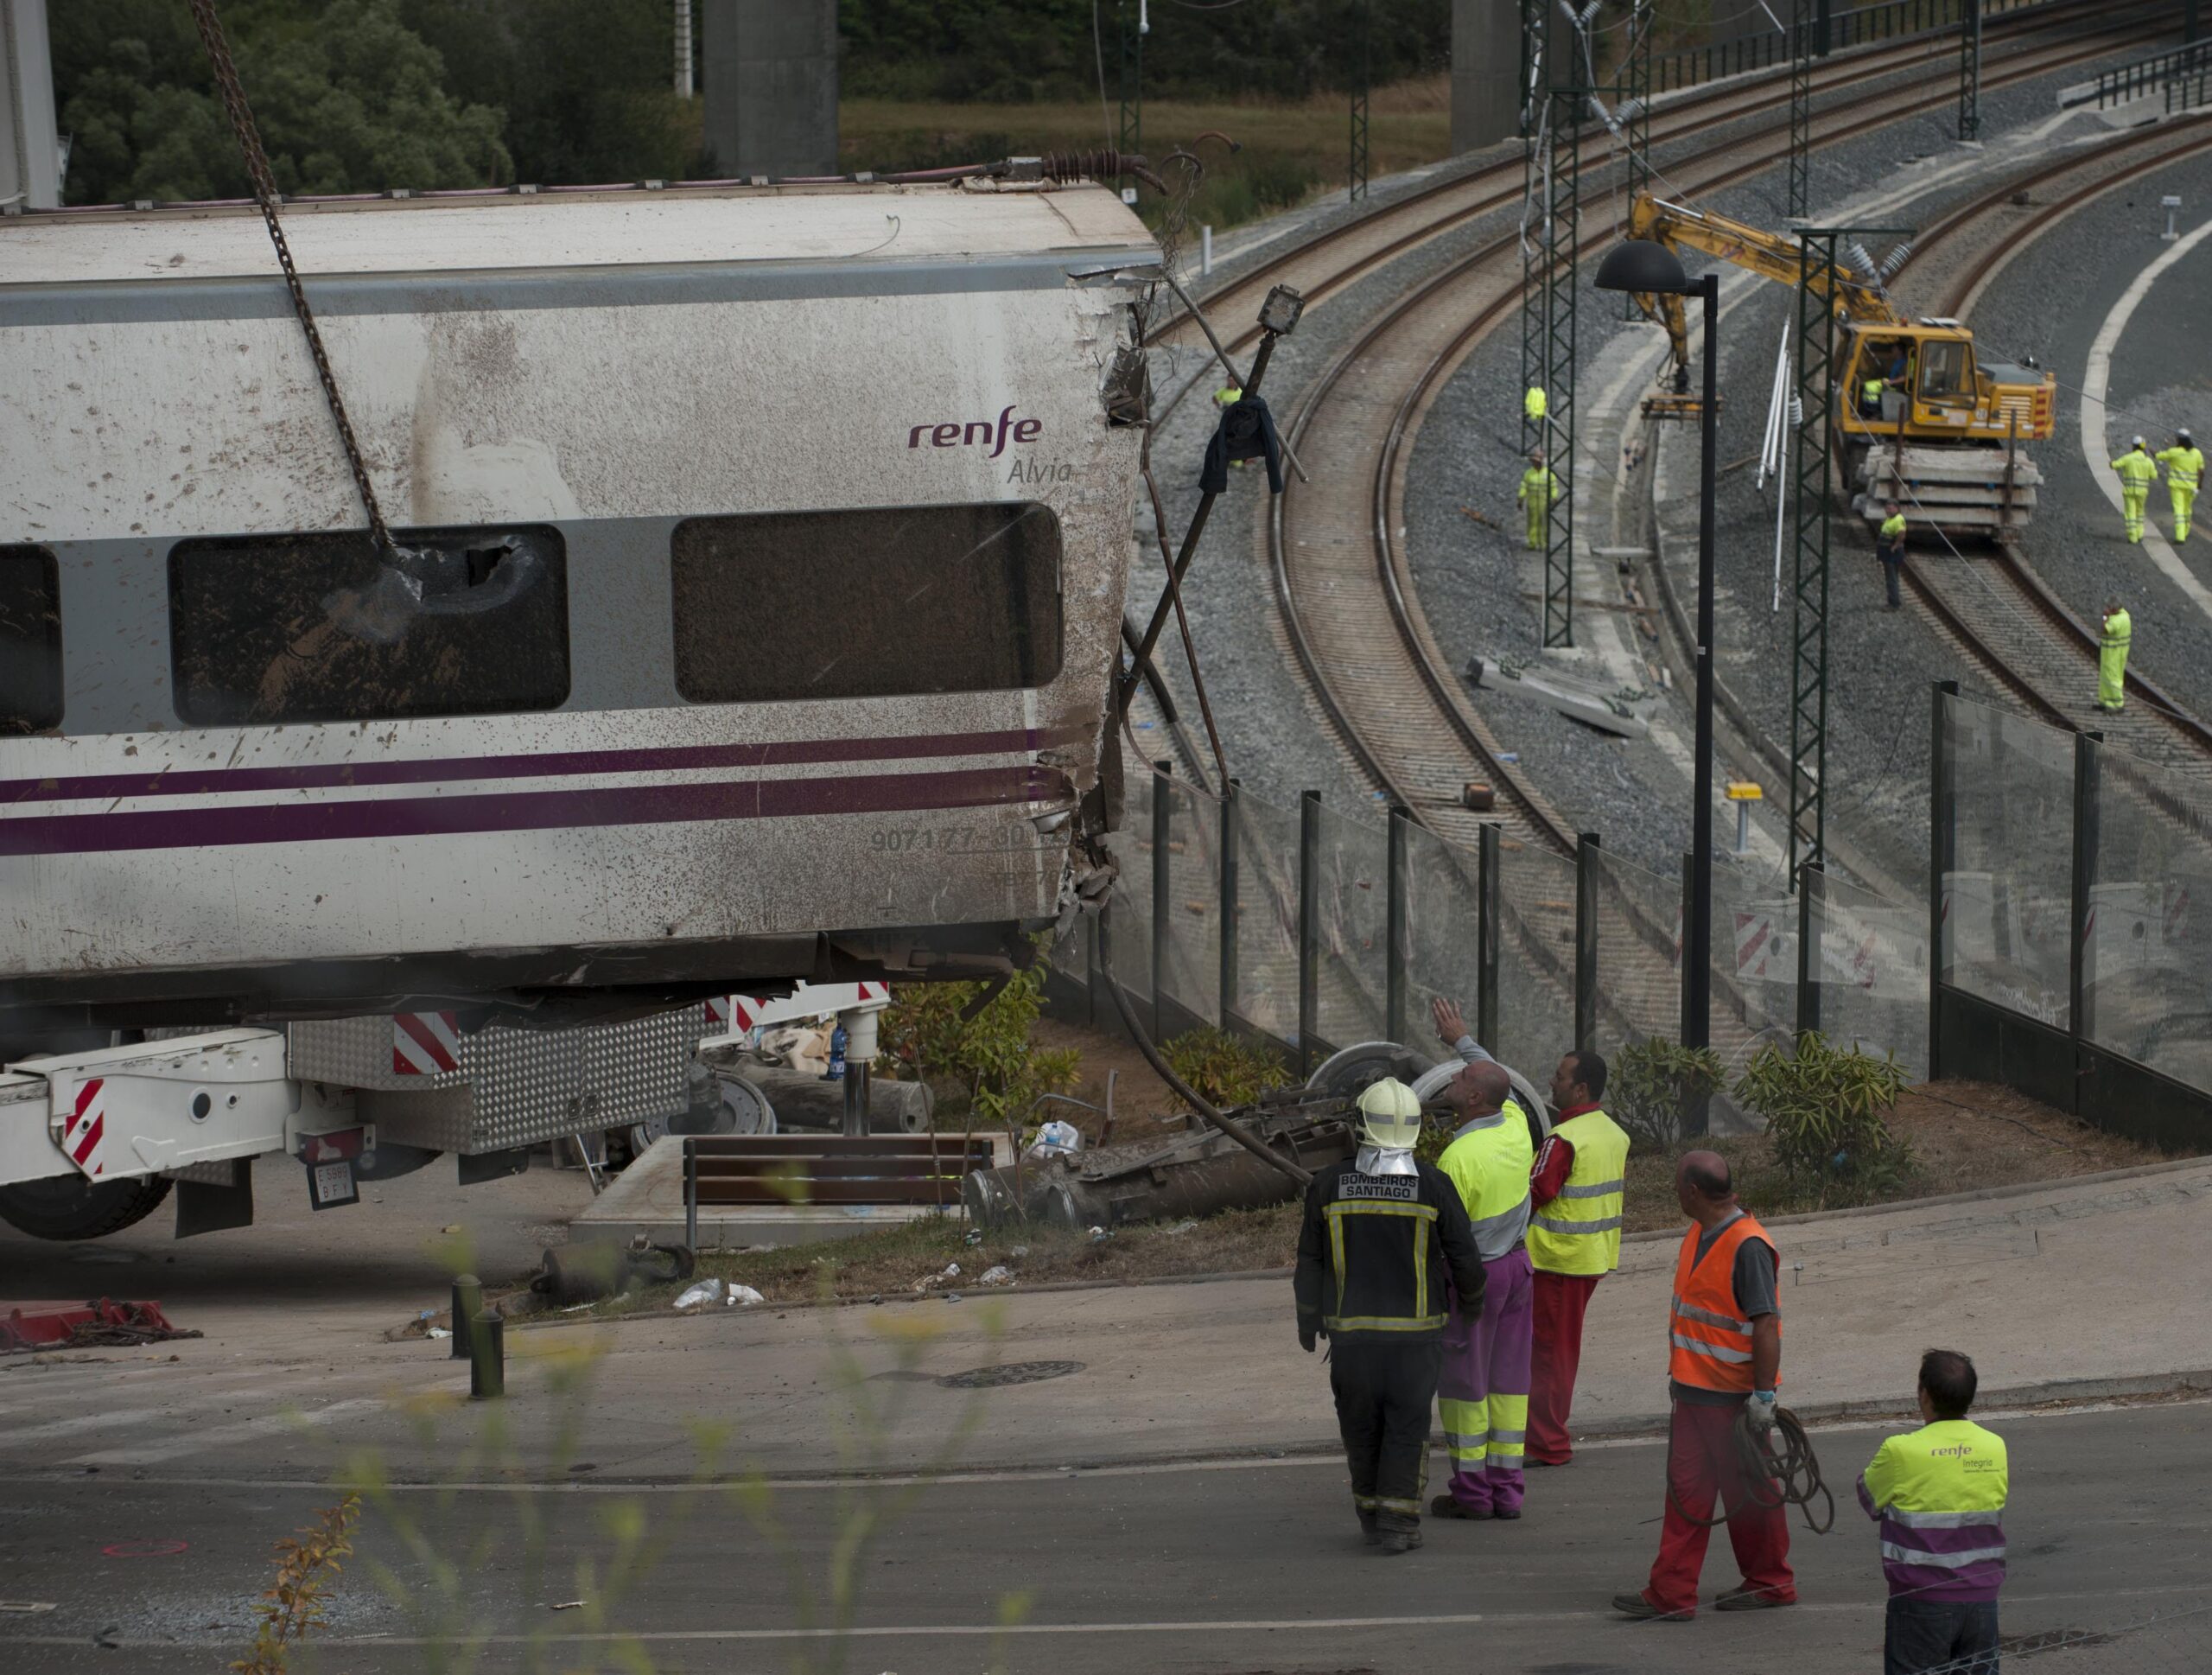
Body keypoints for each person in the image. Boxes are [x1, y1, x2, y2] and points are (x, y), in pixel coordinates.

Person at [1431, 998, 1627, 1468]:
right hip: (1589, 1258)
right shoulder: (1609, 1131)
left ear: (1579, 1088)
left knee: (1543, 1359)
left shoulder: (1562, 1141)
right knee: (1548, 1354)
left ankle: (1546, 1444)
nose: (1550, 1083)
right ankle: (1529, 1440)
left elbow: (1533, 1193)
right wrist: (1463, 1042)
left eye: (1559, 1078)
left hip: (1554, 1261)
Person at [1294, 1077, 1486, 1556]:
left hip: (1353, 1341)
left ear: (1359, 1128)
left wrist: (1307, 1321)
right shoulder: (1434, 1185)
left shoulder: (1327, 1185)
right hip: (1415, 1343)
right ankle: (1398, 1525)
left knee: (1361, 1428)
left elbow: (1310, 1264)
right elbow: (1466, 1258)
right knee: (1406, 1427)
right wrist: (1474, 1304)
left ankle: (1370, 1516)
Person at [1614, 1151, 1795, 1621]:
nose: (1674, 1191)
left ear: (1693, 1191)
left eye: (1676, 1184)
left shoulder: (1748, 1245)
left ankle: (1772, 1581)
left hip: (1732, 1401)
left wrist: (1763, 1399)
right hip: (1694, 1392)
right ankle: (1671, 1594)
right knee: (1686, 1495)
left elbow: (1766, 1324)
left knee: (1751, 1496)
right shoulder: (1701, 1232)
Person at [1430, 1057, 1537, 1521]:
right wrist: (1461, 1041)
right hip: (1518, 1270)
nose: (1452, 1077)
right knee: (1508, 1384)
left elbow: (1443, 1236)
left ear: (1474, 1098)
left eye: (1461, 1077)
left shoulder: (1457, 1158)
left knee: (1464, 1386)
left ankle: (1472, 1494)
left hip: (1476, 1279)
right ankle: (1507, 1492)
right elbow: (1504, 1083)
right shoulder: (1515, 1125)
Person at [1857, 1349, 2009, 1675]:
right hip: (1982, 1601)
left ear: (1923, 1395)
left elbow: (1868, 1498)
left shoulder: (1900, 1450)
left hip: (1920, 1601)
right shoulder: (1995, 1446)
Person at [2111, 436, 2159, 544]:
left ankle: (2132, 537)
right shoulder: (2148, 461)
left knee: (2130, 514)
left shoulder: (2128, 458)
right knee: (2140, 513)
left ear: (2133, 446)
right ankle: (2140, 534)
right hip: (2142, 492)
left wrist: (2111, 463)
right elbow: (2154, 476)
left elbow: (2114, 465)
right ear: (2144, 447)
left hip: (2129, 491)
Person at [2157, 427, 2202, 540]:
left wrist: (2148, 449)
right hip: (2192, 488)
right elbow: (2201, 471)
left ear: (2179, 440)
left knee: (2179, 511)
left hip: (2177, 487)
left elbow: (2158, 456)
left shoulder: (2174, 452)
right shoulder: (2196, 453)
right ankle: (2186, 531)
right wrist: (2199, 484)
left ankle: (2180, 537)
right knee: (2187, 510)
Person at [1519, 449, 1563, 551]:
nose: (1535, 463)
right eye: (1534, 461)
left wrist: (1554, 497)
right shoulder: (1529, 473)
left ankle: (1543, 543)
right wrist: (1520, 498)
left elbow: (1554, 487)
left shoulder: (1548, 474)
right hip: (1532, 501)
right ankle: (1532, 542)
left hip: (1544, 501)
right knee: (1532, 522)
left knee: (1543, 523)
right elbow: (1524, 486)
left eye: (1537, 461)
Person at [2099, 595, 2131, 713]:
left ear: (2114, 609)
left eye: (2109, 607)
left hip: (2114, 654)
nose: (2107, 608)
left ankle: (2117, 704)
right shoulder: (2124, 615)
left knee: (2113, 678)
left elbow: (2104, 629)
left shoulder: (2117, 620)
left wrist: (2105, 617)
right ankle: (2105, 701)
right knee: (2106, 677)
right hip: (2112, 653)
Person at [1877, 499, 1908, 609]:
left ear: (1897, 508)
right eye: (1886, 508)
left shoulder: (1898, 519)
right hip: (1887, 554)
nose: (1887, 510)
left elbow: (1901, 534)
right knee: (1891, 577)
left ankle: (1894, 603)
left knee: (1892, 579)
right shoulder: (1890, 519)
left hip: (1892, 554)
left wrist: (1895, 545)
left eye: (1890, 508)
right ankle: (1893, 601)